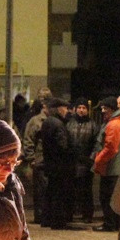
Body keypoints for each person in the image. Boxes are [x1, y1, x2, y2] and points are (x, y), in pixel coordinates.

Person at [92, 96, 120, 232]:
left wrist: (98, 160)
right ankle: (114, 223)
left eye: (104, 108)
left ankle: (110, 224)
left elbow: (111, 147)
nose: (102, 111)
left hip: (111, 167)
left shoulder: (114, 124)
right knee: (113, 197)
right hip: (116, 167)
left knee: (107, 197)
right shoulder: (118, 122)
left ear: (110, 109)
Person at [40, 98, 74, 229]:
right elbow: (63, 146)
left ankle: (46, 219)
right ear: (59, 109)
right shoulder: (58, 124)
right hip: (60, 165)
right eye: (65, 108)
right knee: (58, 194)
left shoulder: (47, 122)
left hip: (50, 163)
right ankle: (57, 221)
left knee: (51, 192)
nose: (67, 111)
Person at [66, 97, 99, 223]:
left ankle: (87, 215)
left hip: (86, 161)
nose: (81, 110)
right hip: (72, 162)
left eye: (84, 108)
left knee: (86, 190)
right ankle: (70, 213)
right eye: (79, 107)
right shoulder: (69, 123)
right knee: (70, 189)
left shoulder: (93, 125)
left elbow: (97, 143)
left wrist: (91, 158)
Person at [22, 99, 49, 225]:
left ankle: (45, 214)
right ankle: (40, 215)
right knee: (40, 190)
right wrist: (31, 158)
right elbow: (28, 139)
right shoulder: (36, 121)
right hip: (39, 159)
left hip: (47, 160)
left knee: (46, 189)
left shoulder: (50, 120)